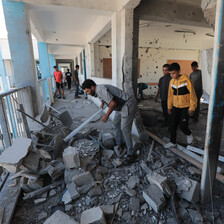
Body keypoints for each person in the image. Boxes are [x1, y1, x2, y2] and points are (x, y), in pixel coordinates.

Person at [81, 79, 138, 163]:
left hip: (127, 104)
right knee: (115, 124)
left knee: (125, 129)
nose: (88, 93)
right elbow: (107, 97)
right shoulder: (97, 91)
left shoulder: (100, 89)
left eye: (88, 91)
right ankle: (119, 144)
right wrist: (103, 103)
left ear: (92, 87)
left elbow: (113, 103)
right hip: (120, 106)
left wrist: (106, 115)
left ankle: (131, 154)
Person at [164, 63, 197, 148]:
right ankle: (172, 142)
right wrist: (169, 107)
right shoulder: (172, 81)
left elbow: (193, 95)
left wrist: (192, 107)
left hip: (185, 107)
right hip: (175, 107)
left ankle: (189, 133)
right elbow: (170, 95)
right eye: (170, 73)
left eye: (173, 73)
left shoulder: (186, 80)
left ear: (179, 71)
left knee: (183, 126)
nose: (172, 75)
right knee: (172, 125)